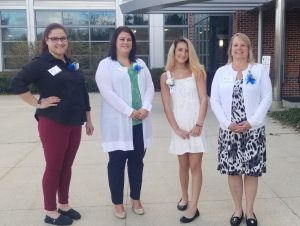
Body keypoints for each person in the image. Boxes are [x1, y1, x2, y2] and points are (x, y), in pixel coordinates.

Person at [10, 23, 94, 226]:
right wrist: (38, 103)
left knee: (67, 166)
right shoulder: (40, 63)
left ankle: (63, 205)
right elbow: (17, 83)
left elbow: (82, 92)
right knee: (54, 167)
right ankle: (50, 211)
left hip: (74, 122)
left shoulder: (69, 62)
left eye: (63, 38)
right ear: (46, 41)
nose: (59, 42)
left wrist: (88, 120)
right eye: (54, 38)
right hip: (54, 122)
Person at [210, 33, 272, 226]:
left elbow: (267, 98)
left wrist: (252, 122)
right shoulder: (222, 72)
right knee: (234, 171)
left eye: (243, 45)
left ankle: (250, 211)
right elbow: (215, 100)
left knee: (252, 172)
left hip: (253, 131)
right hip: (230, 132)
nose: (239, 48)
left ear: (248, 49)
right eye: (235, 45)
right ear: (230, 49)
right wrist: (226, 123)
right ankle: (238, 209)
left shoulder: (259, 70)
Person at [95, 26, 154, 219]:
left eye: (129, 39)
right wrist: (129, 111)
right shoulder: (106, 65)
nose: (126, 43)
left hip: (140, 123)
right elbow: (107, 92)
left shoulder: (140, 63)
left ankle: (136, 198)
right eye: (122, 39)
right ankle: (118, 203)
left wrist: (145, 107)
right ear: (115, 42)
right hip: (118, 124)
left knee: (137, 162)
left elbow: (150, 87)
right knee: (117, 163)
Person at [160, 37, 208, 223]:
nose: (183, 54)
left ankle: (193, 207)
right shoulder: (166, 76)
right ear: (173, 52)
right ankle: (184, 196)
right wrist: (176, 129)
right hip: (178, 126)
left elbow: (204, 99)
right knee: (183, 165)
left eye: (186, 51)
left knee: (195, 166)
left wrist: (199, 125)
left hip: (196, 125)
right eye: (179, 50)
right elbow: (166, 105)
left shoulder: (197, 72)